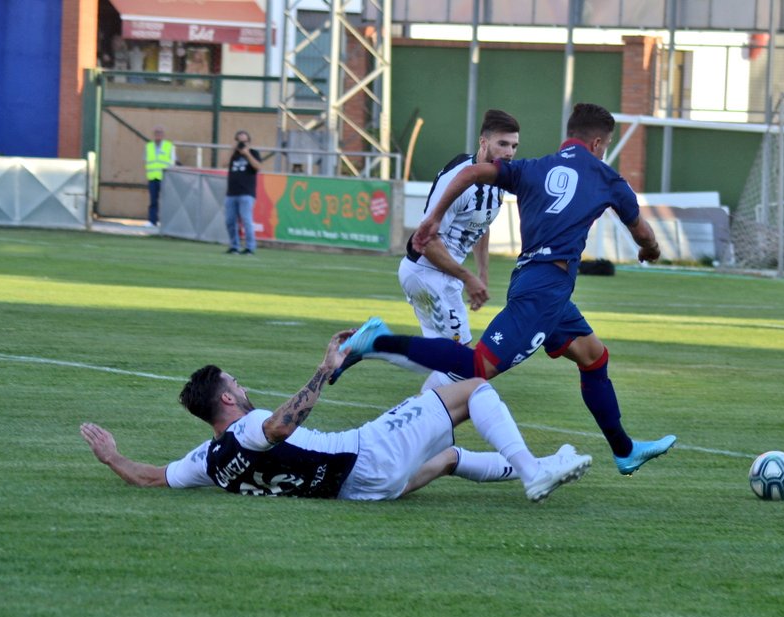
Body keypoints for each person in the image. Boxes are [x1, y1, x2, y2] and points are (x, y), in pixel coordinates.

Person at [336, 103, 677, 477]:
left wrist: (433, 217)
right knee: (476, 367)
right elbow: (643, 233)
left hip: (544, 286)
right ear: (597, 143)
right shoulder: (607, 178)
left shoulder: (533, 168)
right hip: (543, 289)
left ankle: (624, 450)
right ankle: (378, 343)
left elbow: (471, 173)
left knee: (594, 357)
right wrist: (651, 251)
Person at [80, 329, 592, 503]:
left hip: (361, 492)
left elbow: (151, 479)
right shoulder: (249, 426)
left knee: (450, 449)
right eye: (236, 383)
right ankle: (532, 471)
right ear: (228, 401)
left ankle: (546, 463)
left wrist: (112, 457)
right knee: (472, 386)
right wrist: (324, 371)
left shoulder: (209, 459)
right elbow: (280, 426)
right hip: (368, 454)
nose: (243, 385)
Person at [393, 109, 520, 392]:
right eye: (503, 144)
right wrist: (468, 278)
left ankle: (427, 430)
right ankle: (374, 345)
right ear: (483, 142)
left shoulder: (498, 180)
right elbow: (426, 241)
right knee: (461, 365)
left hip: (445, 277)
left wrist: (482, 273)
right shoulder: (459, 180)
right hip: (425, 274)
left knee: (455, 364)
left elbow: (481, 224)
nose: (509, 152)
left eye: (514, 146)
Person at [225, 130, 262, 254]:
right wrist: (232, 150)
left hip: (246, 193)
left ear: (248, 142)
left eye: (244, 141)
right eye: (239, 141)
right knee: (230, 221)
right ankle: (234, 246)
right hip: (231, 193)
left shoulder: (254, 153)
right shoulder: (233, 155)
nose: (241, 144)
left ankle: (250, 247)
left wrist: (247, 154)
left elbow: (257, 167)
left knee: (246, 220)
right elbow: (223, 164)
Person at [144, 125, 174, 228]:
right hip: (152, 177)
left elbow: (172, 161)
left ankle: (166, 222)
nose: (158, 135)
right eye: (156, 133)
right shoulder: (149, 146)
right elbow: (146, 160)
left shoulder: (169, 146)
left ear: (163, 135)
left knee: (166, 201)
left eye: (160, 133)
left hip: (165, 178)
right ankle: (152, 221)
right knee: (153, 200)